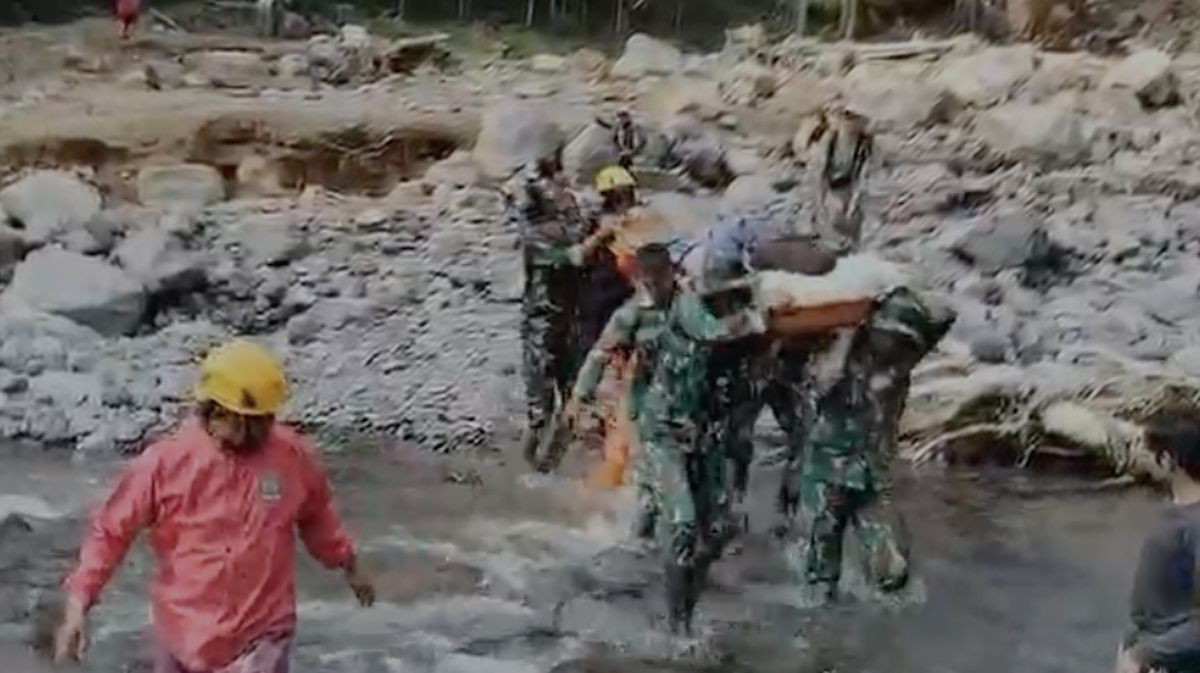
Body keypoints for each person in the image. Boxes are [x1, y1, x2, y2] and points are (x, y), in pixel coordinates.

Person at [54, 340, 375, 672]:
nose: (262, 430)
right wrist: (78, 607)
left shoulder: (291, 457)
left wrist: (348, 563)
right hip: (183, 632)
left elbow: (317, 516)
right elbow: (111, 533)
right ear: (215, 412)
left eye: (267, 419)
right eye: (250, 421)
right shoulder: (166, 464)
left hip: (263, 632)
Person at [785, 288, 951, 602]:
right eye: (888, 336)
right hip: (827, 475)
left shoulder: (900, 364)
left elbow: (946, 314)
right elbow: (821, 384)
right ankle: (822, 641)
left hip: (871, 477)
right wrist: (849, 330)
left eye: (900, 339)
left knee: (893, 573)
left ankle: (879, 631)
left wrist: (883, 294)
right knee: (820, 580)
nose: (892, 345)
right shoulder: (834, 357)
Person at [635, 267, 765, 633]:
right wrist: (754, 320)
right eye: (721, 298)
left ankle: (688, 591)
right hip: (665, 431)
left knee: (721, 529)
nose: (725, 303)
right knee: (683, 522)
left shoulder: (745, 341)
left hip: (706, 436)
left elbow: (745, 398)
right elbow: (712, 332)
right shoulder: (689, 310)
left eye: (733, 298)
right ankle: (679, 627)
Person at [506, 145, 616, 471]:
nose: (567, 193)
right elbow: (576, 257)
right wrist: (601, 236)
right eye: (559, 189)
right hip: (542, 328)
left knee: (575, 402)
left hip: (572, 324)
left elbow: (591, 228)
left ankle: (548, 468)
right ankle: (528, 468)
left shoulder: (568, 225)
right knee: (540, 411)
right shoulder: (535, 237)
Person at [568, 243, 678, 536]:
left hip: (682, 399)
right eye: (649, 278)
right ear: (640, 278)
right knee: (632, 463)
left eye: (661, 276)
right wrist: (579, 397)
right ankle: (630, 532)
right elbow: (599, 355)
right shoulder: (631, 315)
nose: (655, 284)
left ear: (672, 273)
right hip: (641, 399)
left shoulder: (687, 306)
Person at [1117, 408, 1200, 673]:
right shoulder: (1175, 511)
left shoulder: (1194, 525)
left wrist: (1142, 655)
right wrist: (1131, 643)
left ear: (1168, 460)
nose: (1136, 453)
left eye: (1143, 447)